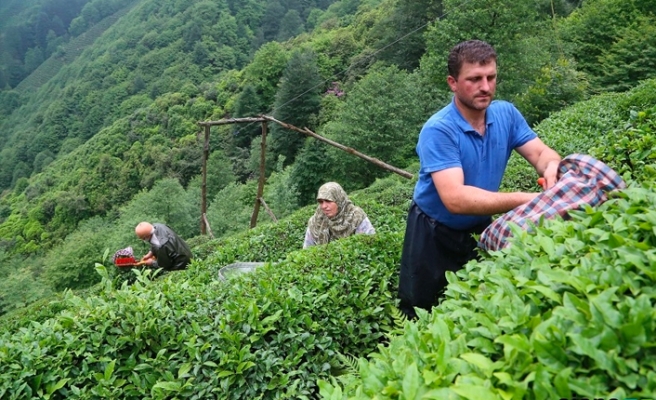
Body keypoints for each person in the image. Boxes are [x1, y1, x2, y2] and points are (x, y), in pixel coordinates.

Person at [398, 40, 561, 319]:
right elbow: (455, 199)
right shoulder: (439, 130)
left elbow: (542, 154)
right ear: (453, 82)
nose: (485, 87)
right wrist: (527, 200)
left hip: (479, 223)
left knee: (479, 299)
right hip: (433, 232)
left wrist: (551, 171)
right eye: (474, 79)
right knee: (421, 307)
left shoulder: (506, 114)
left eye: (491, 77)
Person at [303, 182, 376, 248]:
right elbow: (307, 250)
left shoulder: (356, 217)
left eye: (328, 201)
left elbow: (369, 246)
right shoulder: (316, 220)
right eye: (321, 202)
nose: (324, 206)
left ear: (338, 200)